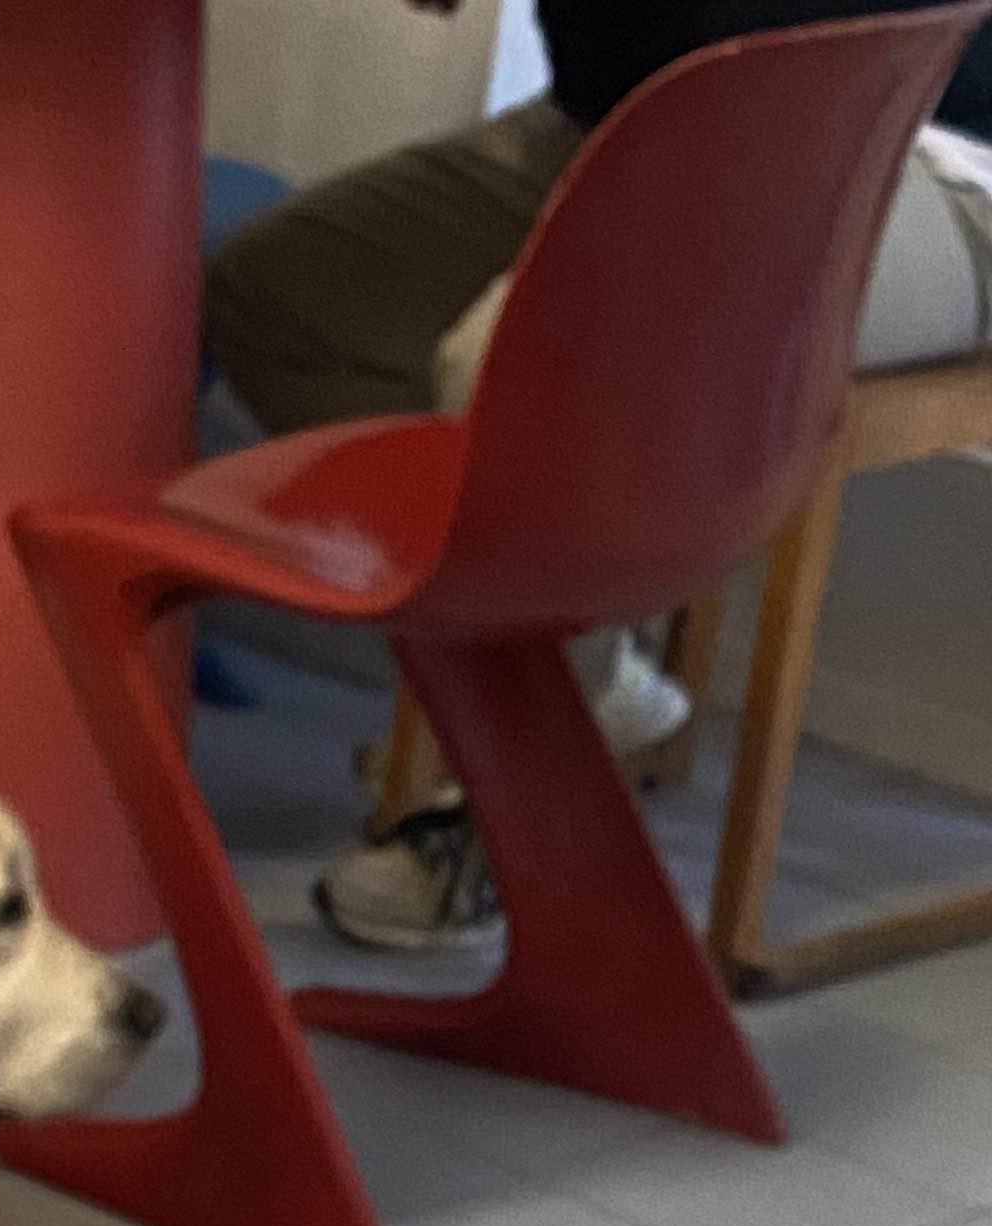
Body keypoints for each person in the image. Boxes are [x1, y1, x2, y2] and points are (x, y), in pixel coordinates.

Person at [204, 0, 992, 948]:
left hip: (912, 146)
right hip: (634, 121)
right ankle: (579, 668)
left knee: (524, 359)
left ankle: (528, 790)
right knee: (283, 305)